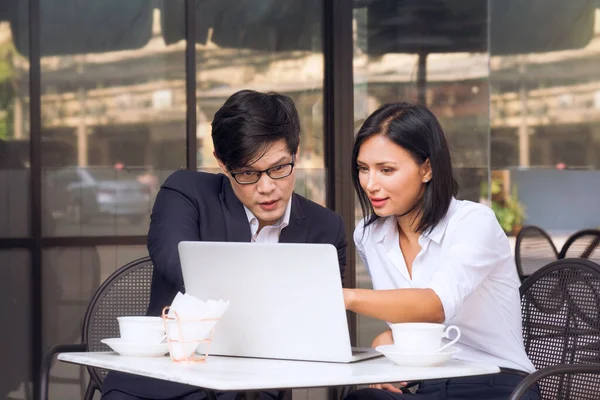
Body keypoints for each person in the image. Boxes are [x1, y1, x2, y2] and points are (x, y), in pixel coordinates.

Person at [102, 90, 347, 400]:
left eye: (280, 168)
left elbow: (321, 321)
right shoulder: (188, 194)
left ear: (296, 153)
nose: (267, 187)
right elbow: (176, 261)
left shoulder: (325, 227)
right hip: (165, 383)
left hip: (257, 387)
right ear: (221, 162)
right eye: (247, 173)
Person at [342, 102, 539, 400]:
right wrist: (389, 340)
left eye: (386, 170)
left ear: (427, 168)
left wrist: (347, 296)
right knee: (363, 398)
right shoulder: (369, 235)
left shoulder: (473, 222)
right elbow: (411, 324)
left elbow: (435, 306)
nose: (371, 184)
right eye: (363, 169)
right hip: (432, 383)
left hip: (495, 382)